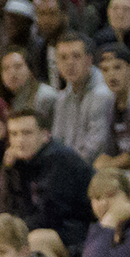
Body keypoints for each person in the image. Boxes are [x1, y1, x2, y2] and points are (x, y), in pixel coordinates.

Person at [1, 108, 98, 250]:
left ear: (45, 135)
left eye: (27, 133)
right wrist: (9, 171)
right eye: (14, 134)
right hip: (49, 227)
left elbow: (50, 216)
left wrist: (10, 230)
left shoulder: (59, 160)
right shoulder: (20, 162)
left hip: (80, 232)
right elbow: (7, 208)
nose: (20, 140)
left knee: (35, 240)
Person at [50, 33, 115, 165]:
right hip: (70, 167)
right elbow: (57, 141)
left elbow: (95, 148)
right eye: (63, 58)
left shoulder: (102, 94)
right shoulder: (62, 97)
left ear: (89, 60)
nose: (69, 63)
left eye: (76, 56)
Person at [94, 43, 130, 172]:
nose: (111, 75)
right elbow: (110, 150)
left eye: (117, 67)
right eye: (105, 70)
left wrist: (111, 164)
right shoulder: (110, 103)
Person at [0, 49, 62, 131]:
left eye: (18, 66)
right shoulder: (14, 99)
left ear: (30, 69)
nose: (12, 73)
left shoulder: (46, 96)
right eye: (6, 68)